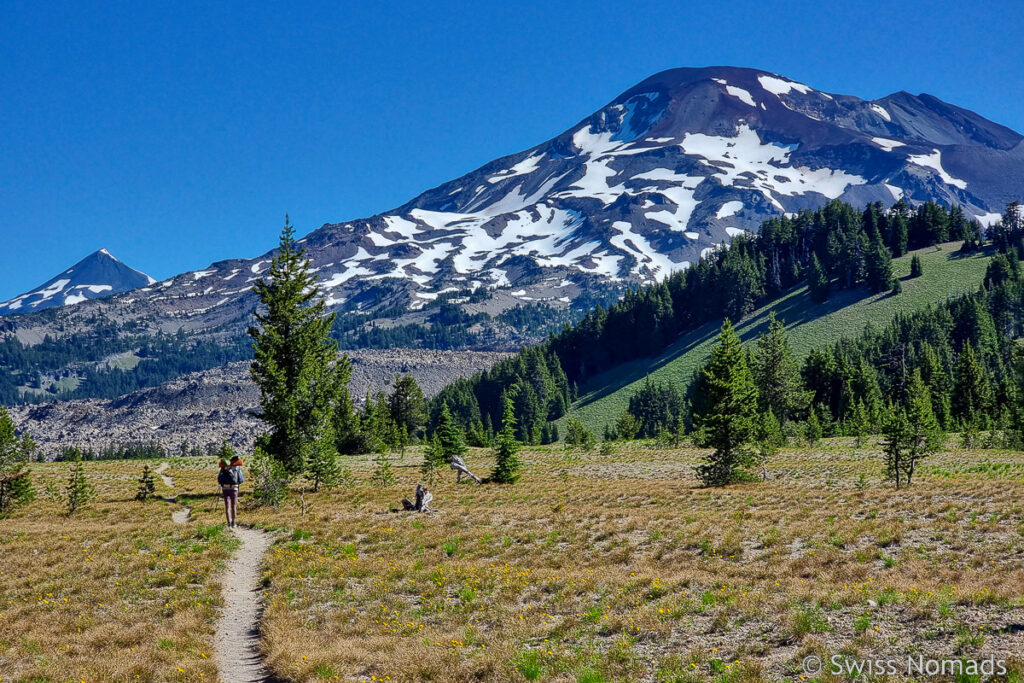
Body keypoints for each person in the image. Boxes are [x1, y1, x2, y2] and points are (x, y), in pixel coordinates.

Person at [217, 457, 242, 527]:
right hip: (234, 489)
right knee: (233, 506)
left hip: (225, 489)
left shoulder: (223, 468)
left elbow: (219, 479)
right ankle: (234, 523)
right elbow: (241, 479)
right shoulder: (236, 468)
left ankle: (228, 523)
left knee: (227, 506)